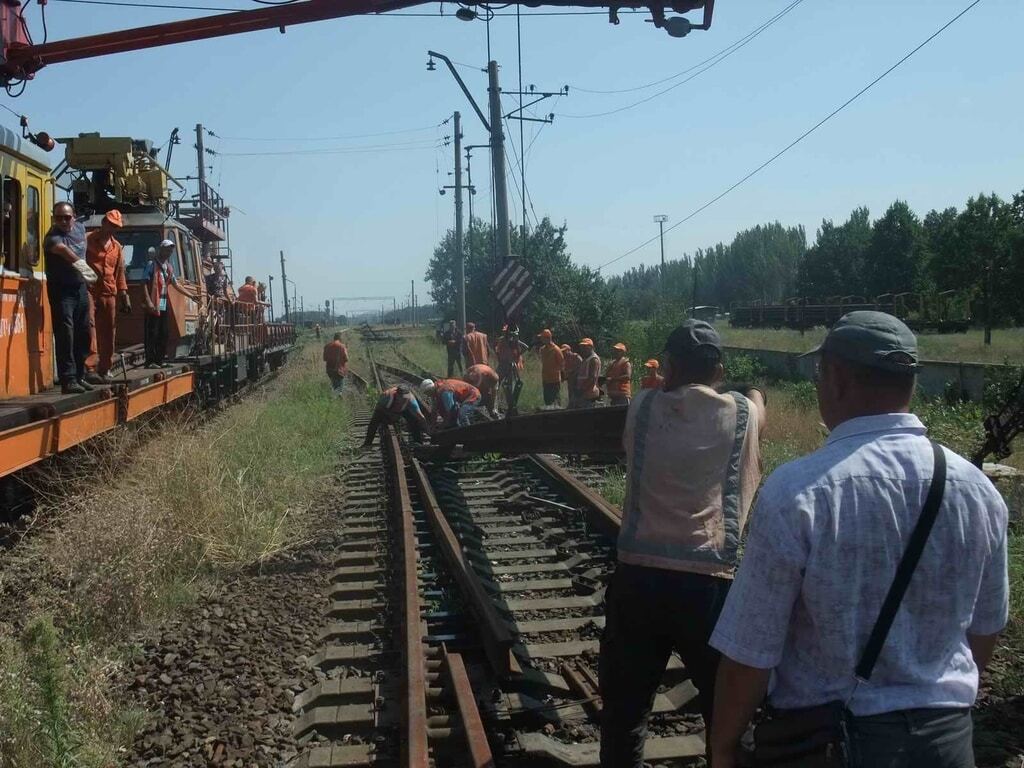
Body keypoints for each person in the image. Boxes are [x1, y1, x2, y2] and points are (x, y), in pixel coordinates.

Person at [709, 312, 1008, 768]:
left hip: (831, 744)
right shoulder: (976, 490)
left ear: (837, 378)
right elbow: (984, 631)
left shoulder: (798, 493)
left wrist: (724, 747)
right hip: (945, 744)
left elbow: (751, 653)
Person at [598, 320, 766, 768]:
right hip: (707, 586)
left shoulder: (643, 407)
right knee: (725, 713)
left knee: (625, 712)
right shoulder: (742, 416)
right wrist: (746, 392)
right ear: (720, 369)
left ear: (668, 368)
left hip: (639, 580)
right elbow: (754, 402)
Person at [44, 201, 94, 393]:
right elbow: (67, 253)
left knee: (84, 332)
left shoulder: (80, 228)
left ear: (74, 217)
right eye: (59, 218)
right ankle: (69, 380)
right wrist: (86, 270)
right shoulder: (52, 238)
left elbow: (86, 241)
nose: (64, 221)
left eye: (67, 217)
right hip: (61, 290)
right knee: (66, 333)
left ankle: (80, 376)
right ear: (54, 218)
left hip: (80, 288)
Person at [84, 209, 131, 384]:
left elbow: (120, 272)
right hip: (90, 289)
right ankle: (90, 367)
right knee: (90, 325)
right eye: (110, 224)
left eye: (116, 226)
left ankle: (105, 368)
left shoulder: (117, 247)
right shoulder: (87, 239)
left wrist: (124, 294)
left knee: (109, 331)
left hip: (109, 292)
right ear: (104, 222)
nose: (112, 228)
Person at [142, 239, 178, 368]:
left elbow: (175, 284)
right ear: (161, 249)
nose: (169, 252)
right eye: (167, 249)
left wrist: (191, 295)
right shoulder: (152, 264)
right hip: (154, 303)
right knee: (152, 332)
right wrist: (148, 301)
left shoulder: (168, 267)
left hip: (163, 303)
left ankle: (159, 360)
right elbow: (144, 283)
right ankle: (150, 361)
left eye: (171, 250)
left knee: (164, 332)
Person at [362, 385, 429, 446]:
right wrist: (390, 415)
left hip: (402, 410)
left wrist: (427, 429)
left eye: (406, 398)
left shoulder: (411, 401)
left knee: (414, 421)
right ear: (397, 395)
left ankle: (418, 443)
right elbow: (378, 408)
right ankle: (367, 443)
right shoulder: (387, 396)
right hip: (386, 409)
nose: (404, 399)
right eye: (402, 398)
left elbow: (420, 416)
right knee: (374, 422)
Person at [495, 326, 528, 413]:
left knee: (507, 386)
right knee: (497, 384)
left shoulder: (513, 341)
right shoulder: (503, 339)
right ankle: (499, 405)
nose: (504, 333)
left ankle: (510, 406)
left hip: (508, 365)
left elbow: (525, 347)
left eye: (505, 332)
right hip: (504, 364)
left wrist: (517, 354)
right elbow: (497, 351)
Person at [538, 329, 565, 408]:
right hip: (545, 379)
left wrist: (560, 375)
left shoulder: (556, 349)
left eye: (542, 338)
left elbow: (562, 364)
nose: (541, 339)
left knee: (556, 401)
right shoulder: (542, 349)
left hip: (554, 380)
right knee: (547, 401)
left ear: (548, 338)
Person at [575, 338, 601, 408]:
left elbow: (592, 378)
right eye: (582, 347)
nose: (583, 349)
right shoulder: (586, 359)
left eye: (585, 346)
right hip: (584, 394)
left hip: (589, 394)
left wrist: (582, 389)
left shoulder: (593, 359)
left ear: (591, 347)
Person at [561, 343, 581, 409]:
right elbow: (565, 371)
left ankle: (576, 407)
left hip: (577, 380)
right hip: (570, 381)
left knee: (577, 395)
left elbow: (581, 368)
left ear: (569, 350)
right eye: (562, 351)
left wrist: (572, 372)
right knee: (571, 394)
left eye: (565, 351)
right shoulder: (564, 360)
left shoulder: (576, 357)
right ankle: (571, 406)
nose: (564, 353)